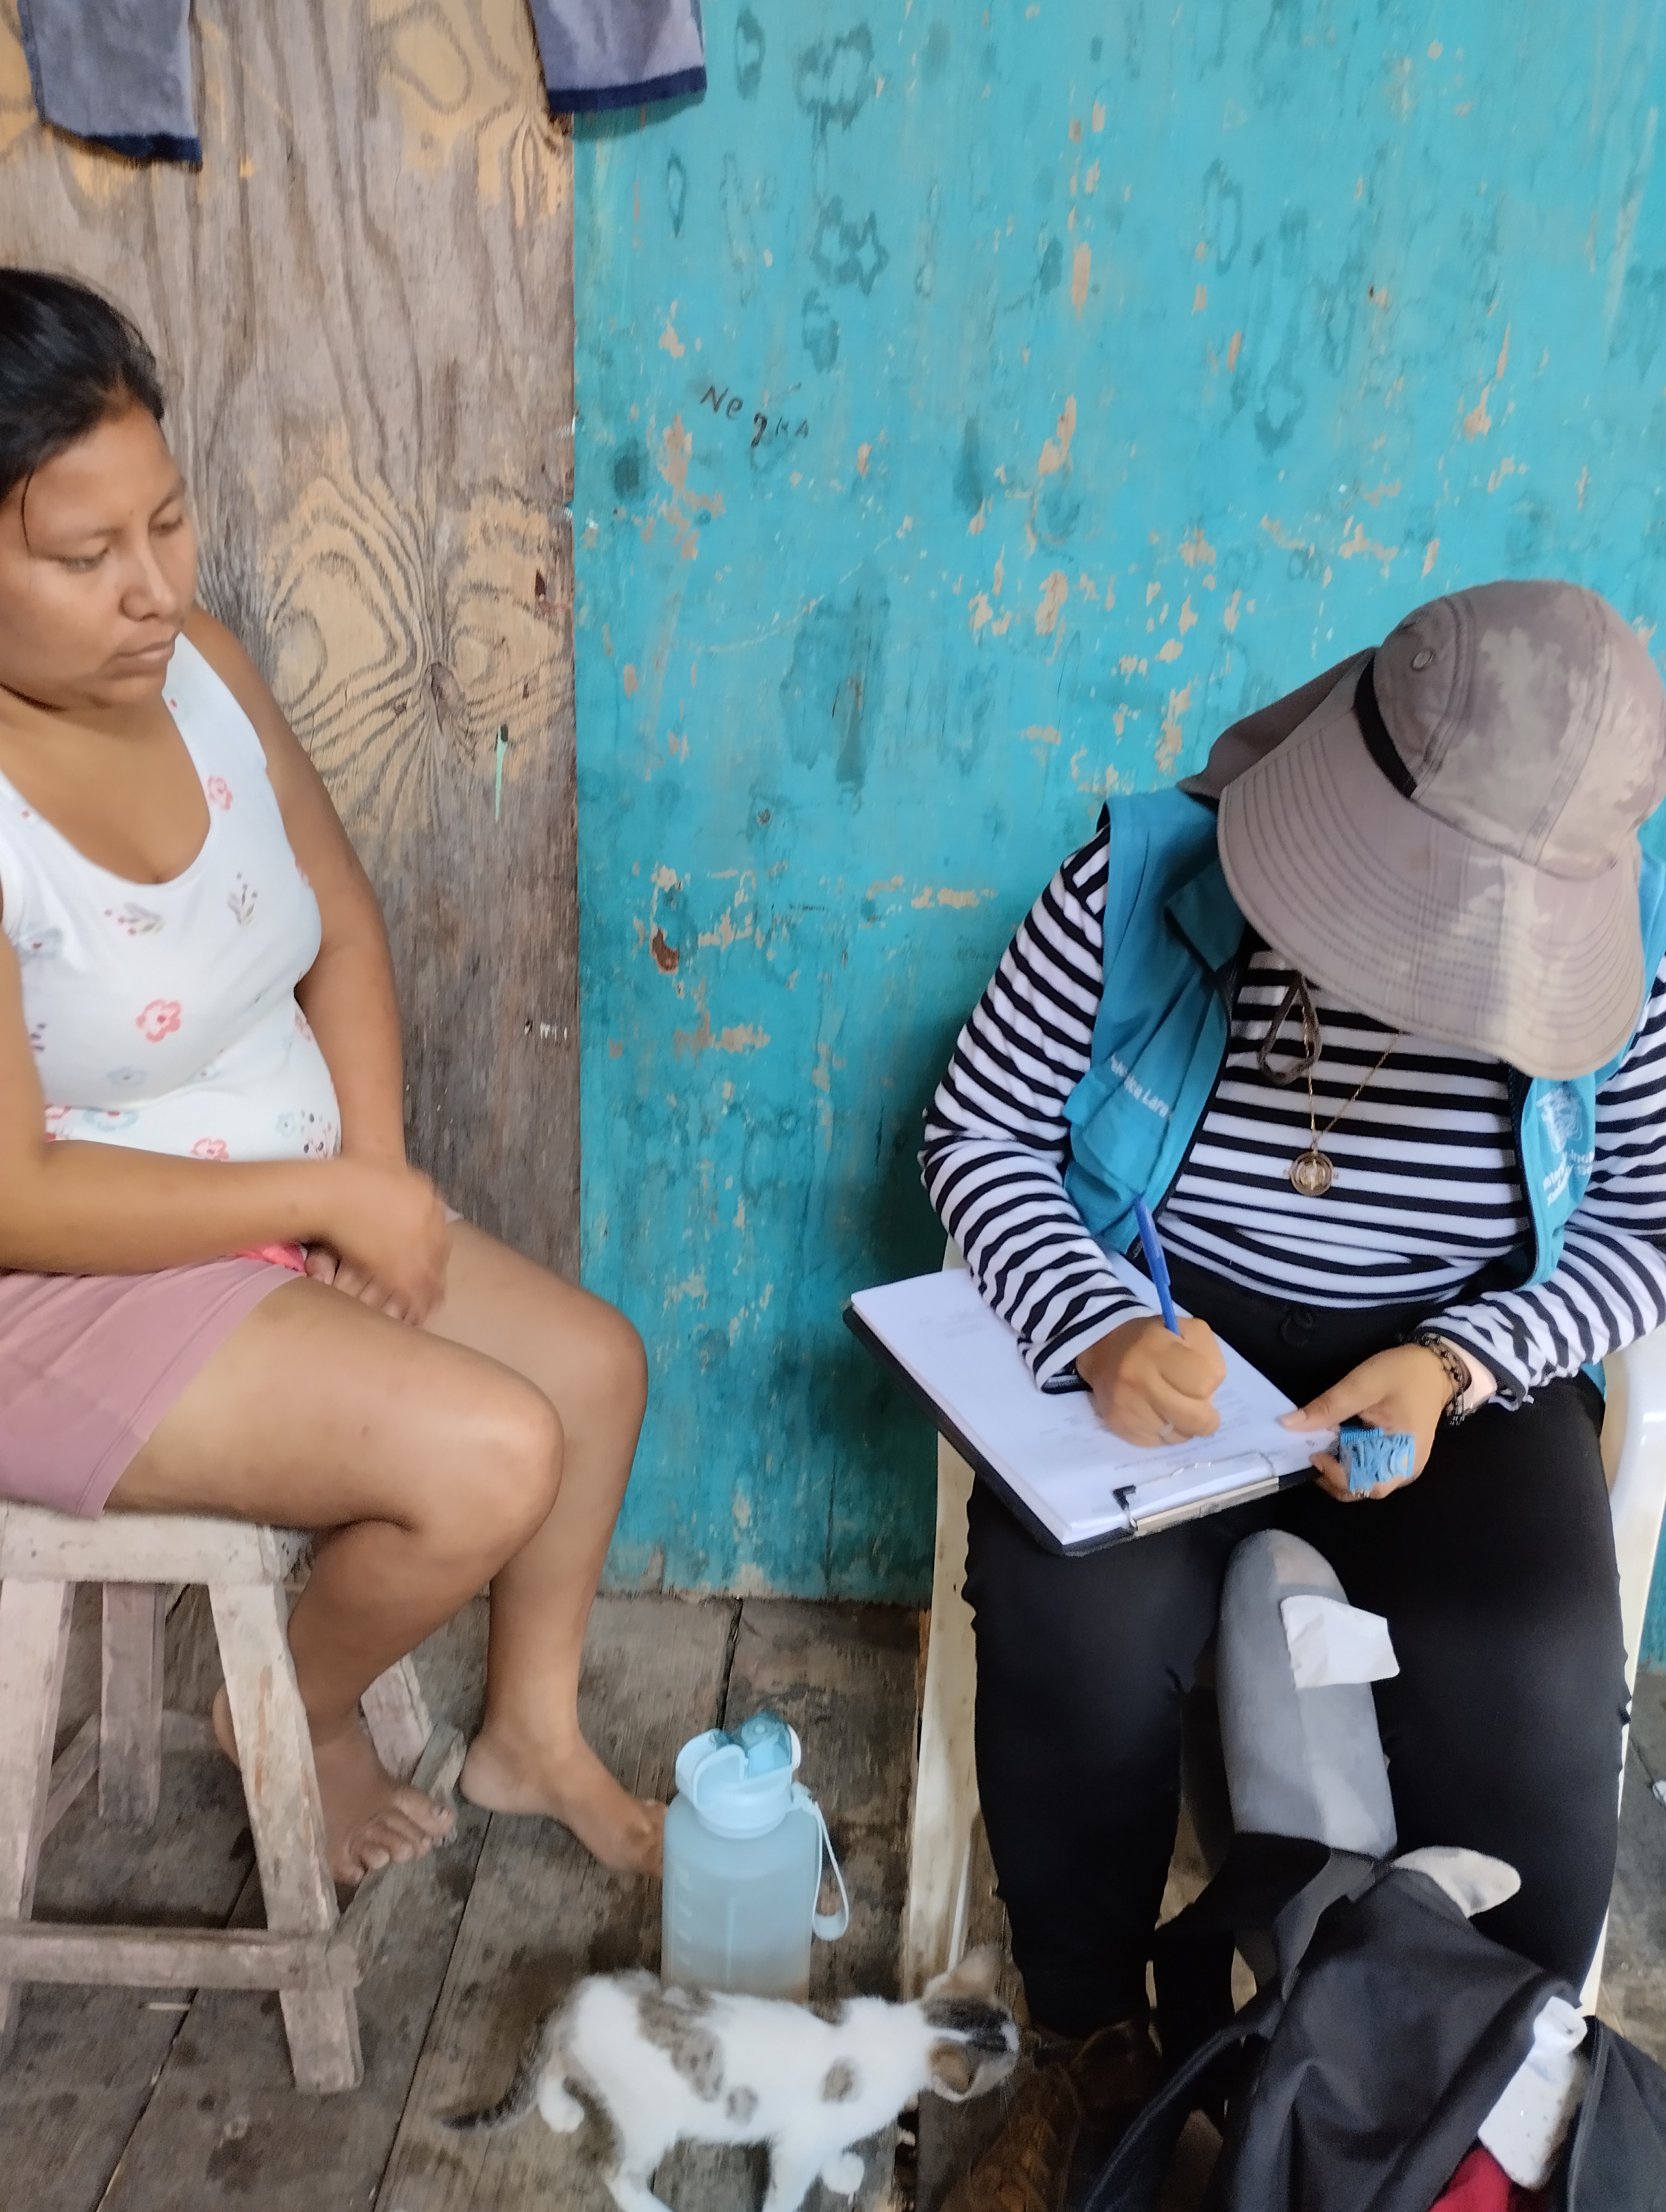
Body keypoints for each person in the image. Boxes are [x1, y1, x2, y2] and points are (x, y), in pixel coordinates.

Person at [922, 578, 1666, 2211]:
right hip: (1171, 1344)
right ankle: (1097, 2052)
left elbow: (1646, 1229)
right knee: (1074, 1625)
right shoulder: (1143, 876)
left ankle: (1477, 2100)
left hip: (1453, 1373)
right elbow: (975, 1130)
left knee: (1537, 1671)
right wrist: (1098, 1327)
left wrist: (1468, 1361)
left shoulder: (1643, 955)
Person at [0, 268, 658, 1886]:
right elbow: (20, 1194)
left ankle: (531, 1737)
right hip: (69, 1285)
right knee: (491, 1456)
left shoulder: (202, 670)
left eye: (167, 524)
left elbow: (342, 926)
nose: (154, 588)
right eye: (86, 557)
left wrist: (374, 1180)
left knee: (590, 1373)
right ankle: (289, 1705)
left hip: (284, 1206)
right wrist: (332, 1196)